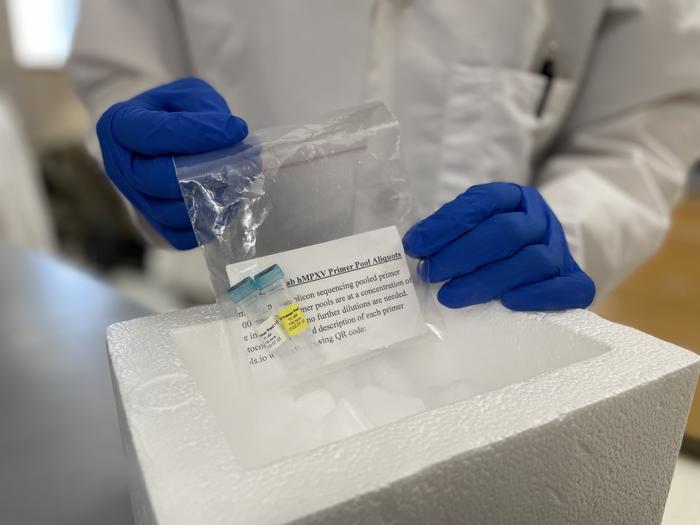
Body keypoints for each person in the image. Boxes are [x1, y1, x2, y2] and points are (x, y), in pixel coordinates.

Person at [68, 0, 700, 311]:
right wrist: (150, 154)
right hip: (242, 315)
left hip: (494, 325)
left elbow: (637, 133)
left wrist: (574, 226)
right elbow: (124, 61)